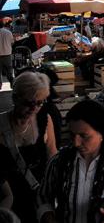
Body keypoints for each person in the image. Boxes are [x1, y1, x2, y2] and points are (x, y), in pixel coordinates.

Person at [0, 72, 56, 223]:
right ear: (15, 98)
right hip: (8, 199)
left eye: (39, 103)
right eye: (28, 103)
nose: (34, 109)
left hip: (38, 198)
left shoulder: (44, 119)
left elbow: (52, 155)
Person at [0, 21, 14, 89]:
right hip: (7, 54)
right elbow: (12, 43)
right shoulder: (8, 32)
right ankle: (11, 81)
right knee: (9, 70)